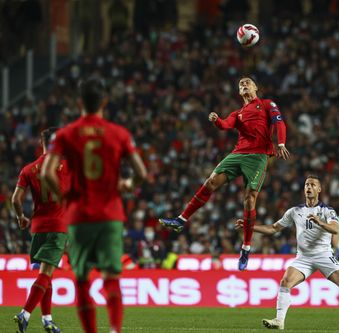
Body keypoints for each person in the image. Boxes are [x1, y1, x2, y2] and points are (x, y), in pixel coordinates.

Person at [41, 77, 147, 333]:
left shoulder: (65, 134)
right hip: (110, 213)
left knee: (82, 280)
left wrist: (65, 196)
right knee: (112, 277)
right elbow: (141, 173)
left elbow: (46, 173)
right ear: (105, 102)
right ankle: (114, 330)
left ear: (80, 103)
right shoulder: (119, 134)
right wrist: (127, 185)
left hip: (79, 215)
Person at [159, 75, 290, 270]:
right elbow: (225, 125)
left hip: (258, 156)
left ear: (256, 87)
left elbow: (279, 122)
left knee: (249, 199)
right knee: (211, 181)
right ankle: (181, 219)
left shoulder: (266, 104)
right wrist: (216, 120)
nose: (244, 85)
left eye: (248, 82)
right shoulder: (237, 114)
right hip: (237, 154)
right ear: (239, 92)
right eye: (241, 84)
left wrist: (280, 143)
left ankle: (246, 247)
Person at [235, 175, 339, 330]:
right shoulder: (295, 211)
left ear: (319, 189)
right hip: (303, 258)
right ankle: (279, 321)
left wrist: (320, 222)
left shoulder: (327, 211)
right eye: (306, 185)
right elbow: (273, 229)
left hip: (324, 255)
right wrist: (250, 226)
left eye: (312, 185)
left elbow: (335, 229)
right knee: (285, 282)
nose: (309, 187)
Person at [12, 127, 68, 333]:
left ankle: (47, 320)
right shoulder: (67, 165)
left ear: (40, 143)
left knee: (45, 275)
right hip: (58, 226)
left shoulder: (29, 169)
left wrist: (21, 217)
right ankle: (25, 313)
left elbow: (15, 200)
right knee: (45, 275)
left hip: (38, 228)